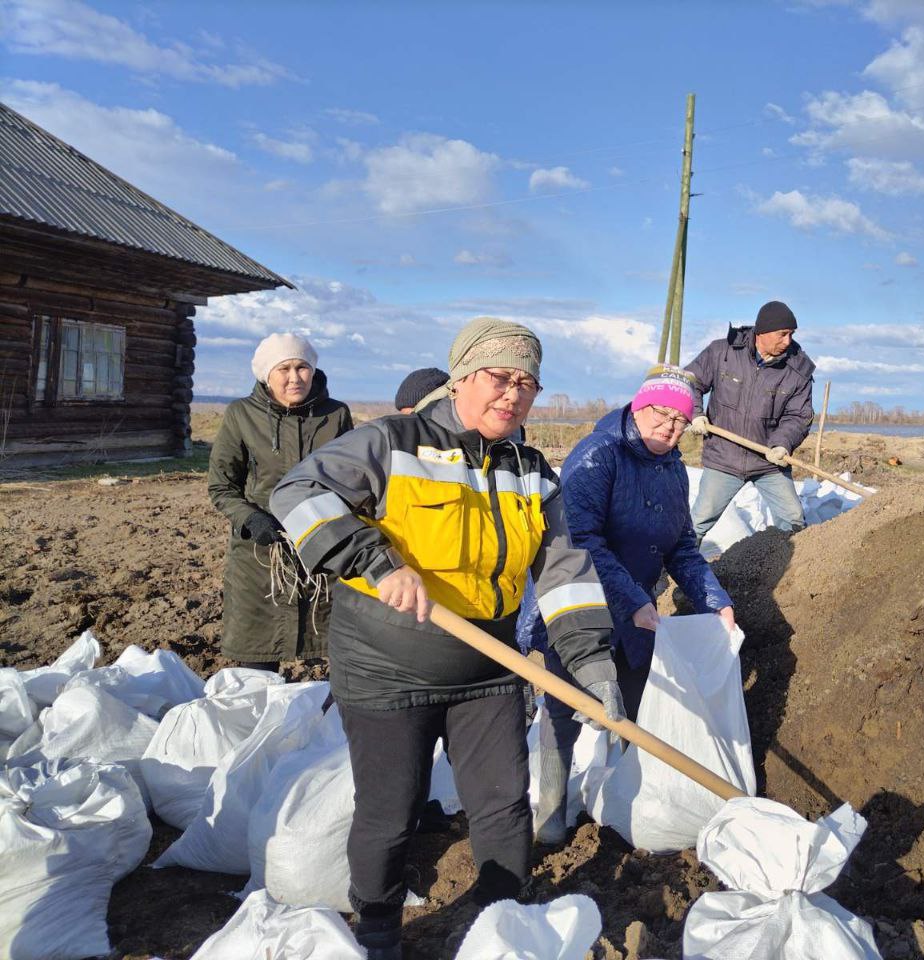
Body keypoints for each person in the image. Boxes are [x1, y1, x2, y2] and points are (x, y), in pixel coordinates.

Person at [269, 317, 619, 960]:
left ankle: (501, 925)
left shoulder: (533, 472)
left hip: (487, 667)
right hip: (385, 666)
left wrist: (593, 662)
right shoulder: (394, 443)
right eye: (499, 377)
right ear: (462, 377)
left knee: (504, 806)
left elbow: (565, 570)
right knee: (390, 813)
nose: (513, 394)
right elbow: (298, 491)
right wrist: (374, 561)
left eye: (527, 383)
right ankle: (377, 930)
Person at [527, 365, 736, 845]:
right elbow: (579, 539)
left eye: (681, 420)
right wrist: (633, 599)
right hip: (578, 607)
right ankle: (551, 814)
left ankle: (628, 803)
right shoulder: (598, 456)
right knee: (567, 704)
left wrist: (714, 601)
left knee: (634, 707)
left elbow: (682, 546)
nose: (669, 425)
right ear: (639, 407)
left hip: (637, 612)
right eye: (661, 412)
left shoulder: (673, 470)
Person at [207, 333, 352, 672]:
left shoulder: (336, 416)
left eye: (302, 367)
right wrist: (252, 519)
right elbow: (221, 486)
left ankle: (323, 723)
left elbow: (351, 480)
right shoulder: (241, 414)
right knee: (256, 658)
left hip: (321, 553)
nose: (294, 377)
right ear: (266, 374)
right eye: (283, 368)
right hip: (259, 557)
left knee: (334, 654)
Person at [684, 300, 814, 542]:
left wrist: (783, 443)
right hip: (724, 457)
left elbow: (799, 416)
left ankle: (790, 575)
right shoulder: (722, 352)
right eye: (782, 334)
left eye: (791, 334)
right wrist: (696, 413)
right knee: (698, 523)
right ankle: (670, 575)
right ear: (762, 332)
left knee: (794, 521)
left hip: (768, 462)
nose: (788, 341)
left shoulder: (798, 369)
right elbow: (691, 380)